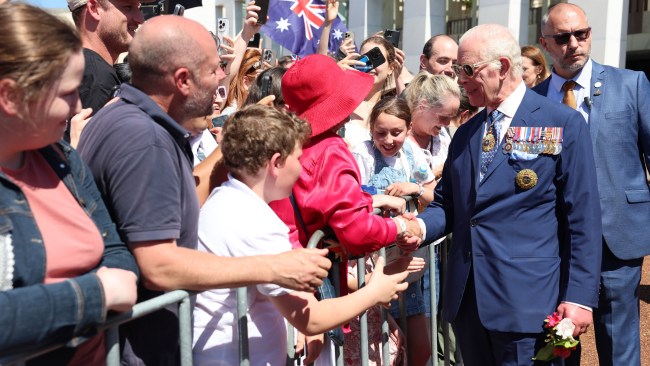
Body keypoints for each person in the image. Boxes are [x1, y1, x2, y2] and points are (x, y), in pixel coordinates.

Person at [77, 15, 331, 365]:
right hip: (138, 349)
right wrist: (273, 268)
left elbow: (177, 212)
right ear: (183, 80)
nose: (222, 77)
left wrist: (240, 141)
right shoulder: (143, 140)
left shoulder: (131, 119)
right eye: (214, 70)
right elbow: (159, 265)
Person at [409, 23, 603, 365]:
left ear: (501, 67)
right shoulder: (467, 133)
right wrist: (419, 228)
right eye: (457, 70)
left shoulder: (563, 123)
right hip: (470, 303)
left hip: (530, 304)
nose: (460, 79)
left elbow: (582, 219)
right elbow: (448, 203)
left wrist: (579, 297)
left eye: (467, 69)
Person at [192, 104, 413, 365]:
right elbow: (312, 318)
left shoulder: (225, 199)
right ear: (276, 163)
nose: (301, 169)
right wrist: (374, 292)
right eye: (297, 158)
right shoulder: (257, 220)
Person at [0, 3, 138, 364]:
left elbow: (116, 253)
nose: (78, 106)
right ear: (11, 96)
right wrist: (95, 294)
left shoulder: (61, 158)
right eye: (66, 93)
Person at [534, 4, 650, 365]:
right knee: (560, 343)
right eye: (562, 37)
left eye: (580, 34)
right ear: (545, 44)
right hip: (556, 243)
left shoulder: (631, 84)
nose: (574, 43)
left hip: (617, 238)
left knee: (620, 344)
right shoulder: (533, 101)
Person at [352, 96, 436, 366]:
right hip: (374, 268)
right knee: (384, 352)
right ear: (371, 129)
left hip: (409, 266)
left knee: (420, 350)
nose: (388, 140)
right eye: (381, 132)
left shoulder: (413, 154)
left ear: (408, 128)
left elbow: (434, 195)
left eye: (396, 132)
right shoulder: (362, 154)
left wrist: (416, 189)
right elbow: (352, 201)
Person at [67, 0, 143, 117]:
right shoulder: (99, 78)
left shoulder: (72, 65)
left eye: (140, 9)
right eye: (128, 7)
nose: (140, 19)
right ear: (94, 8)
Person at [342, 35, 405, 149]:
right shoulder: (342, 102)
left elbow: (409, 114)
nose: (370, 65)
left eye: (377, 59)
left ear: (391, 68)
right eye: (365, 58)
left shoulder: (391, 109)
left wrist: (398, 77)